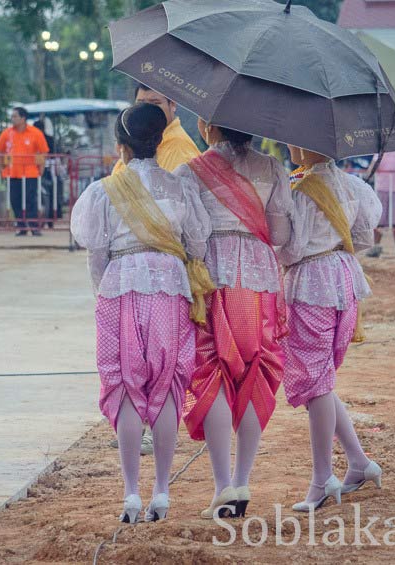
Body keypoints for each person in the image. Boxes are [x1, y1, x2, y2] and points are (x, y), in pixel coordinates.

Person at [70, 103, 213, 523]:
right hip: (171, 287)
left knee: (125, 385)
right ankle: (163, 493)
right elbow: (198, 247)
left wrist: (106, 293)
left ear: (121, 147)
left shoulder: (103, 191)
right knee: (167, 384)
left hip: (120, 287)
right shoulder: (180, 188)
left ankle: (131, 495)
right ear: (160, 140)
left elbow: (97, 254)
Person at [176, 119, 294, 519]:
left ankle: (223, 485)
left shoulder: (190, 171)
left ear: (208, 126)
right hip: (260, 281)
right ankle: (242, 480)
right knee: (256, 371)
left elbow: (190, 236)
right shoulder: (274, 168)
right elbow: (279, 233)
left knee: (212, 371)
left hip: (215, 279)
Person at [278, 145, 383, 512]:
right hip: (345, 280)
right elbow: (365, 239)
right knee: (320, 379)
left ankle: (322, 479)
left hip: (310, 283)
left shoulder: (298, 190)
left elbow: (290, 250)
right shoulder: (355, 186)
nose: (289, 147)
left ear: (306, 144)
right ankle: (358, 462)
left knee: (315, 380)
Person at [109, 84, 202, 457]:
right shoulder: (132, 153)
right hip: (138, 275)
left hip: (162, 272)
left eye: (155, 103)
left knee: (157, 363)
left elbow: (188, 222)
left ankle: (152, 429)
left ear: (172, 106)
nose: (148, 109)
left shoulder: (178, 150)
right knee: (140, 360)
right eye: (142, 103)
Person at [112, 84, 200, 174]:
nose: (146, 111)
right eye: (140, 104)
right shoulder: (133, 141)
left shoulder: (180, 148)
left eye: (155, 103)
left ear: (172, 105)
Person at [0, 107, 49, 236]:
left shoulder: (35, 133)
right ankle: (21, 226)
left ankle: (34, 226)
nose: (12, 119)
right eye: (12, 117)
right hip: (12, 172)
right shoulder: (7, 133)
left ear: (23, 118)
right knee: (15, 199)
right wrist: (1, 167)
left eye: (15, 116)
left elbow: (43, 152)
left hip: (30, 173)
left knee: (30, 199)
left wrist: (40, 168)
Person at [366, 150, 395, 255]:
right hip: (381, 188)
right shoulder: (380, 150)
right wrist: (371, 168)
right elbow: (372, 167)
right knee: (378, 221)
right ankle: (376, 247)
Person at [33, 119, 63, 226]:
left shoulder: (46, 140)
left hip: (47, 171)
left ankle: (50, 218)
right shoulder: (49, 139)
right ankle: (50, 219)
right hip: (48, 171)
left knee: (49, 194)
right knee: (52, 195)